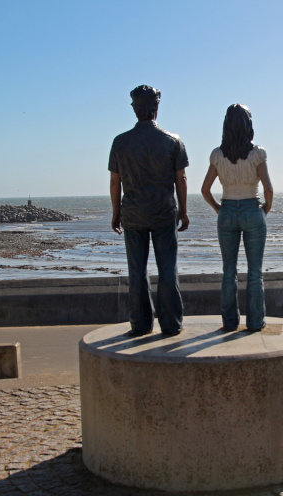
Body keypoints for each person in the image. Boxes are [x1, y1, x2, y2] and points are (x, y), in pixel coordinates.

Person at [108, 85, 189, 336]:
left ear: (135, 109)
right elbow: (181, 179)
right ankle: (171, 323)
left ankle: (141, 324)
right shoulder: (172, 141)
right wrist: (184, 211)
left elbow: (115, 182)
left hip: (133, 214)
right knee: (167, 270)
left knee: (137, 271)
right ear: (157, 107)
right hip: (164, 213)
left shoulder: (120, 142)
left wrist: (115, 212)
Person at [201, 104, 274, 331]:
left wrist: (218, 209)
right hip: (252, 208)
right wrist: (265, 209)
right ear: (248, 125)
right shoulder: (257, 154)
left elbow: (205, 189)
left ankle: (230, 322)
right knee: (254, 271)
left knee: (229, 271)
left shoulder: (217, 155)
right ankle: (254, 322)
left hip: (227, 210)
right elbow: (268, 189)